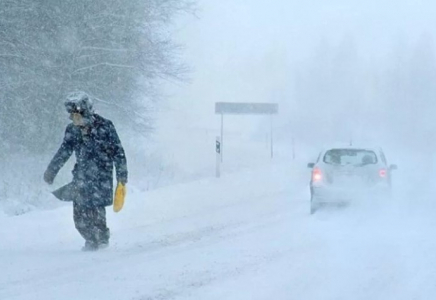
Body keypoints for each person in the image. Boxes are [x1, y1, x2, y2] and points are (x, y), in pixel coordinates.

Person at [43, 91, 128, 251]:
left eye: (77, 114)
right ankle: (90, 239)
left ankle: (101, 240)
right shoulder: (72, 130)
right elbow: (64, 151)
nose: (74, 118)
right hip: (81, 177)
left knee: (96, 211)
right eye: (72, 115)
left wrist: (122, 177)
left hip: (101, 176)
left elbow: (118, 152)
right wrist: (51, 170)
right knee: (79, 215)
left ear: (87, 111)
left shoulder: (105, 126)